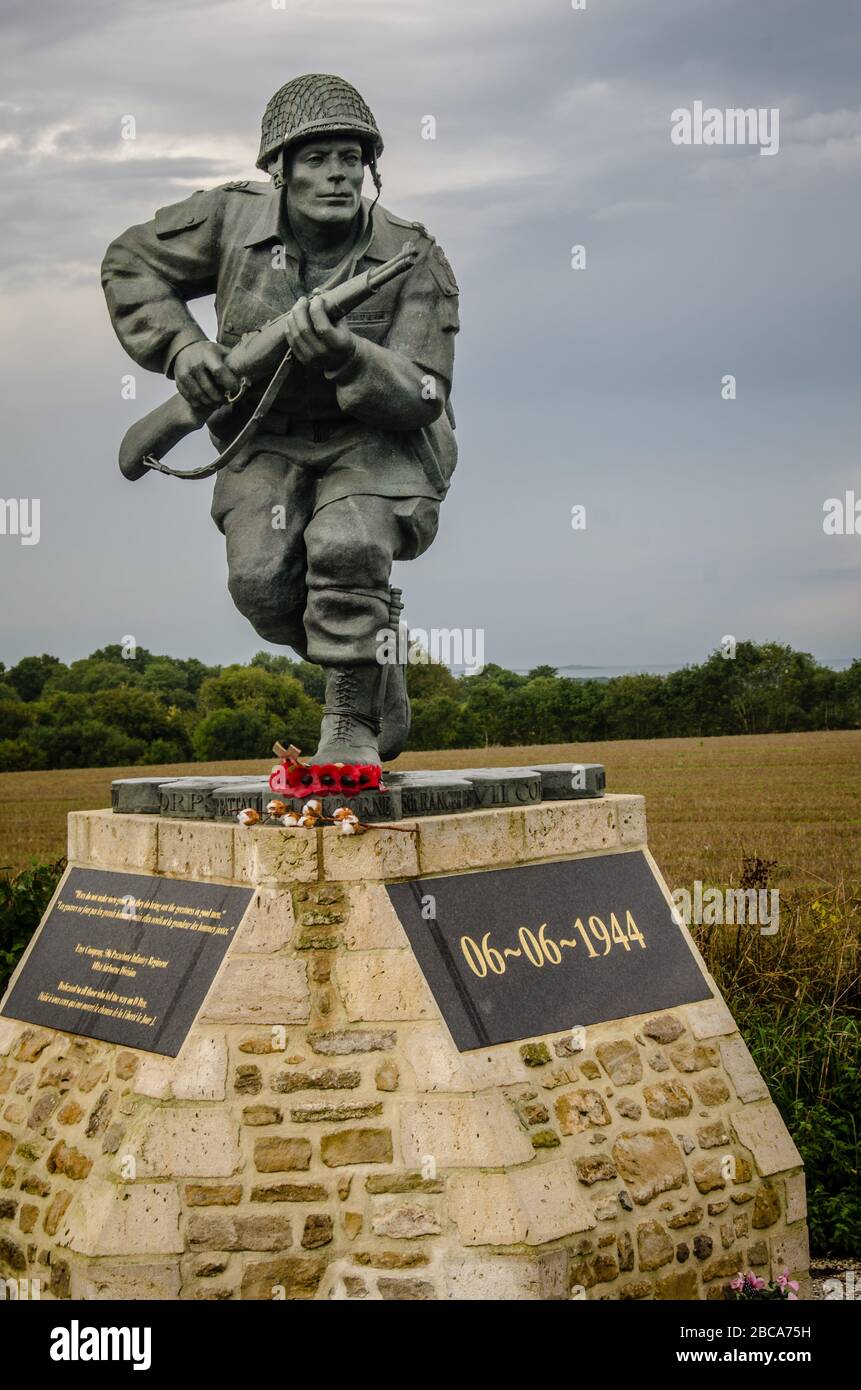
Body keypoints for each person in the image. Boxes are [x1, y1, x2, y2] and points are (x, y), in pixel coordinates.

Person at [102, 73, 460, 764]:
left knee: (346, 544)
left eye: (350, 159)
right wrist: (184, 349)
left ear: (370, 167)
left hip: (378, 441)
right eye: (317, 158)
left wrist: (350, 357)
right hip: (261, 438)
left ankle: (349, 722)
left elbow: (422, 390)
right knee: (262, 585)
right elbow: (129, 262)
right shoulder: (228, 220)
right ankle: (371, 663)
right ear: (279, 168)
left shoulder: (413, 255)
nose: (336, 176)